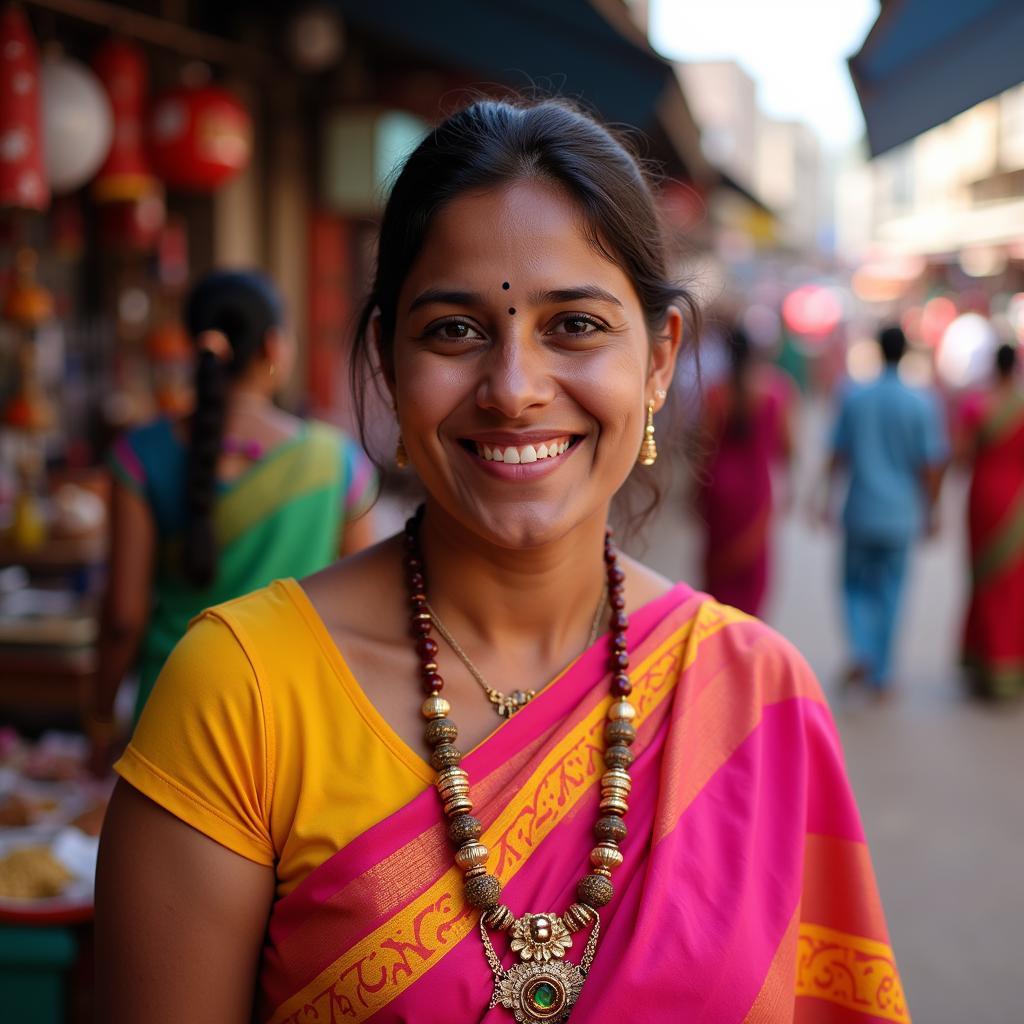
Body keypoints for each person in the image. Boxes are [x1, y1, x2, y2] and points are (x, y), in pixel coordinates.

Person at [96, 99, 909, 1023]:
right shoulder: (241, 692)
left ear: (658, 360)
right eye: (454, 330)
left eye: (575, 327)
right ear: (387, 362)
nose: (515, 389)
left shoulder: (760, 699)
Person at [85, 270, 377, 769]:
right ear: (273, 347)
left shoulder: (141, 456)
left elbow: (122, 619)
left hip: (171, 718)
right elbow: (362, 614)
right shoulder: (337, 462)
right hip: (293, 723)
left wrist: (98, 723)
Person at [825, 324, 948, 697]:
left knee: (853, 587)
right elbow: (930, 465)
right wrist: (934, 509)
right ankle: (882, 671)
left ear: (877, 350)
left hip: (860, 510)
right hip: (900, 515)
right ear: (906, 352)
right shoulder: (921, 402)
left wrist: (823, 498)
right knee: (892, 592)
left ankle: (862, 649)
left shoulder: (853, 396)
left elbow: (837, 455)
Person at [696, 323, 794, 615]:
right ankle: (749, 637)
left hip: (719, 489)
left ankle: (719, 633)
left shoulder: (716, 393)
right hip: (756, 488)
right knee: (753, 570)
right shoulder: (776, 391)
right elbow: (787, 446)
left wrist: (694, 493)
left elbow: (704, 446)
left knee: (719, 571)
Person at [957, 342, 1024, 698]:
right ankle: (1010, 664)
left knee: (985, 580)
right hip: (1017, 501)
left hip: (984, 498)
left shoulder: (978, 406)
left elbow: (961, 454)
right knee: (1014, 583)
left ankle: (985, 664)